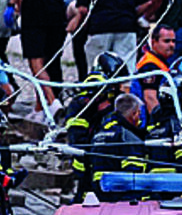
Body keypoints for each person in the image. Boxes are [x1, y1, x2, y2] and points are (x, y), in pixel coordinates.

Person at [65, 52, 127, 201]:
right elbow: (78, 140)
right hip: (87, 166)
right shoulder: (80, 104)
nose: (121, 88)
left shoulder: (111, 99)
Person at [89, 93, 151, 201]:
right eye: (139, 114)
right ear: (133, 114)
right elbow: (134, 177)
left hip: (98, 194)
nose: (139, 119)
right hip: (121, 199)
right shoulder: (128, 137)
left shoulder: (99, 133)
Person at [134, 24, 176, 115]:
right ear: (154, 42)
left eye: (173, 41)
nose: (171, 45)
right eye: (166, 41)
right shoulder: (150, 65)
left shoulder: (159, 61)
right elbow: (150, 98)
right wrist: (159, 123)